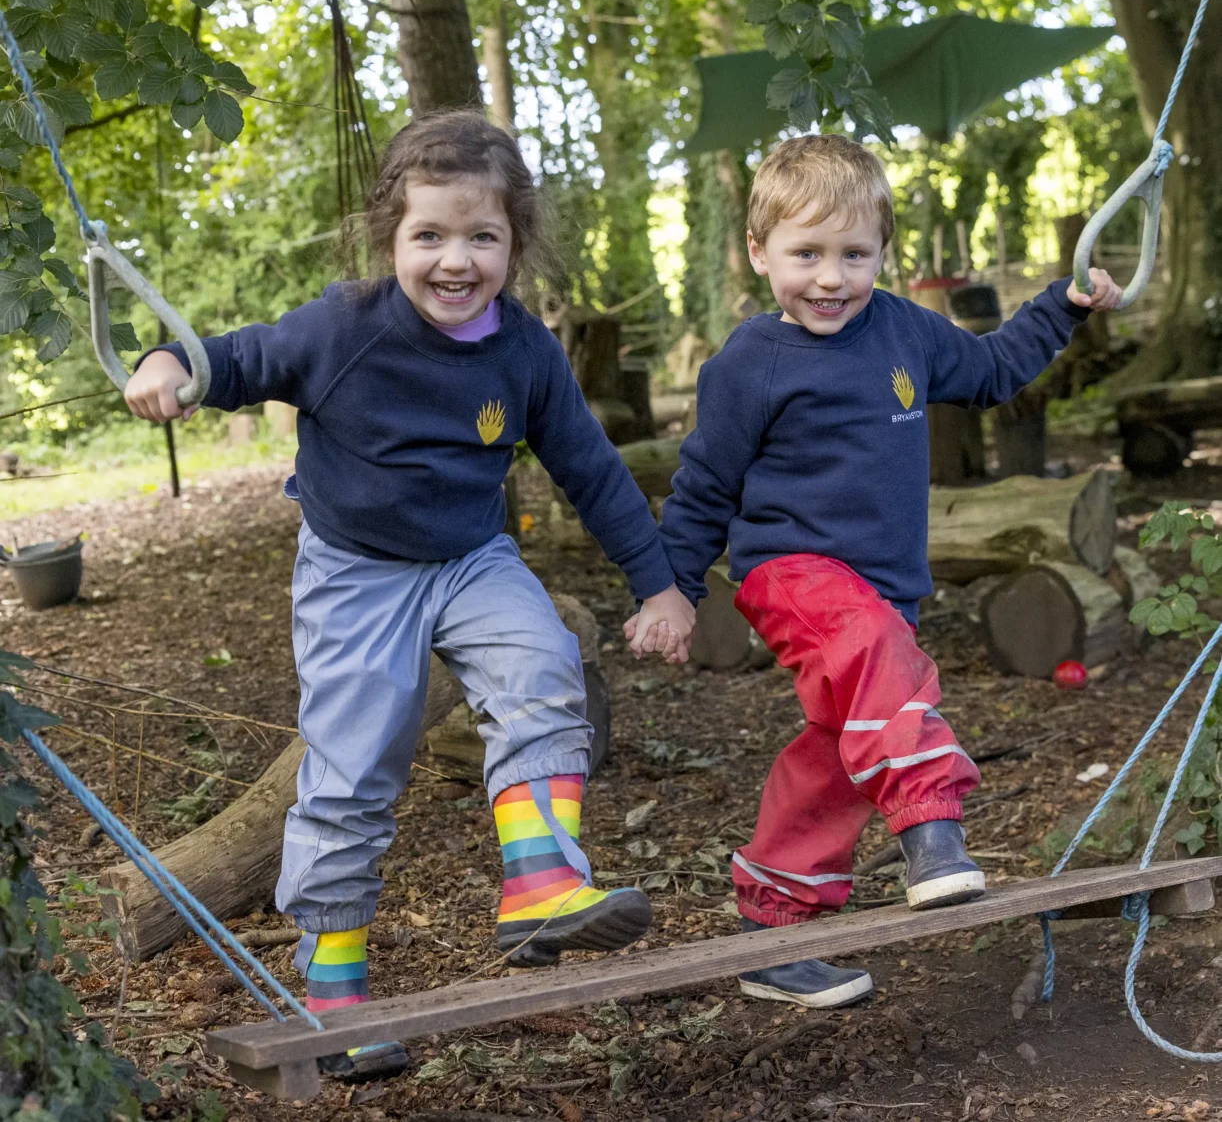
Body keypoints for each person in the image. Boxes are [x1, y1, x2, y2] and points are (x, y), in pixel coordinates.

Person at [124, 110, 695, 1078]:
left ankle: (541, 884)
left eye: (482, 236)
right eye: (428, 235)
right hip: (356, 575)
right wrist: (168, 364)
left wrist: (661, 587)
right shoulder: (341, 326)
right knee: (351, 779)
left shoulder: (522, 350)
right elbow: (240, 356)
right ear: (390, 237)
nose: (454, 260)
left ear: (515, 241)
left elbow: (592, 470)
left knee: (542, 663)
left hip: (471, 559)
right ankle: (335, 986)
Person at [643, 133, 1121, 1011]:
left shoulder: (903, 327)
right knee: (876, 663)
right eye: (806, 255)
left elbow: (991, 370)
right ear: (760, 253)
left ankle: (772, 930)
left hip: (882, 591)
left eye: (853, 255)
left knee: (841, 752)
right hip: (791, 572)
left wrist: (1065, 305)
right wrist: (667, 589)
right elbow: (705, 484)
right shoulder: (750, 363)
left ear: (881, 253)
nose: (830, 278)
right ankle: (932, 829)